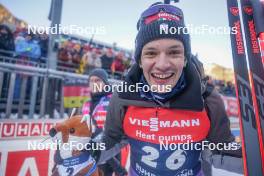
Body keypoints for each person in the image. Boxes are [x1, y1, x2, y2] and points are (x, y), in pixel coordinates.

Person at [102, 2, 243, 176]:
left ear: (185, 59)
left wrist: (254, 157)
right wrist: (83, 148)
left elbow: (224, 152)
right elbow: (110, 141)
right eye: (151, 53)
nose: (162, 65)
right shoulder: (123, 96)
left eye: (174, 52)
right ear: (139, 60)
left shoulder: (207, 98)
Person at [82, 68, 127, 176]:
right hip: (89, 154)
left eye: (97, 80)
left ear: (105, 82)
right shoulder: (86, 104)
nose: (93, 83)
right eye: (91, 81)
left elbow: (119, 131)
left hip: (109, 154)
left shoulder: (114, 100)